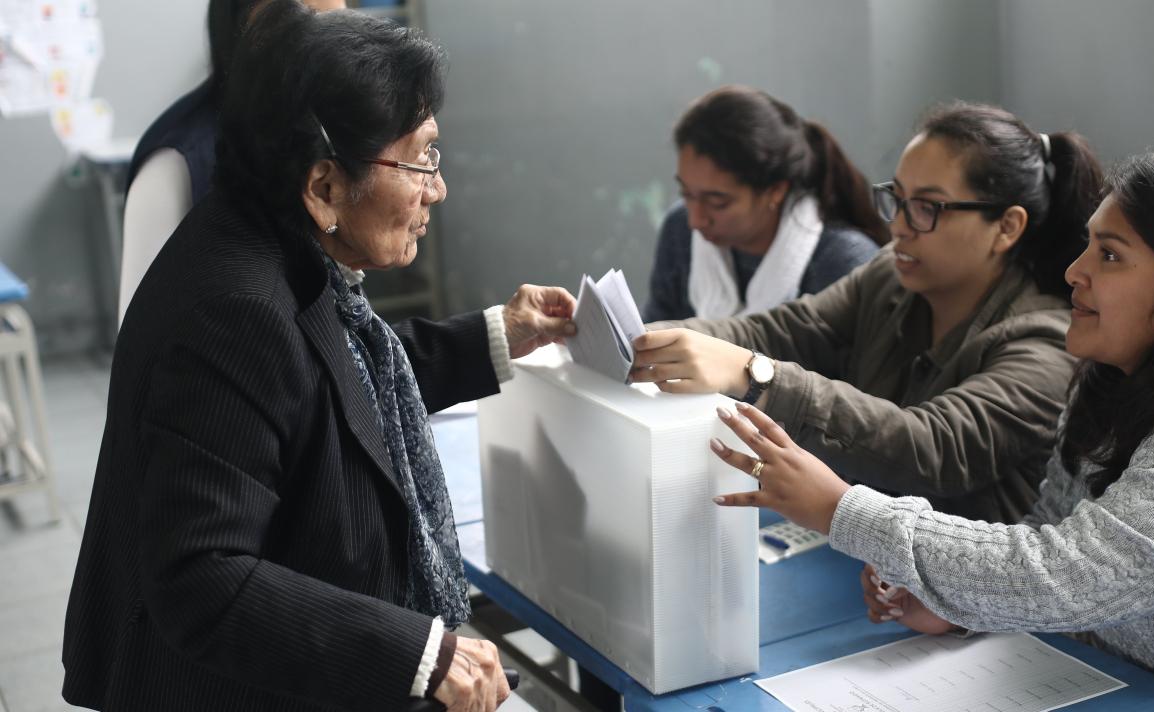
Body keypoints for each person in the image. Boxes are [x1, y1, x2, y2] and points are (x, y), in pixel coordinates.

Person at [63, 3, 573, 710]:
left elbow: (338, 384)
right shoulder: (234, 310)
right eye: (420, 157)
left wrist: (496, 334)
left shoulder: (275, 244)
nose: (438, 187)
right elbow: (200, 576)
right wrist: (419, 652)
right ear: (325, 186)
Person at [708, 150, 1154, 692]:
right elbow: (1046, 535)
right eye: (898, 200)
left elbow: (1061, 574)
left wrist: (838, 507)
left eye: (1109, 256)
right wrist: (962, 607)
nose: (1074, 271)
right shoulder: (1107, 384)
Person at [633, 102, 1103, 523]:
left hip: (975, 605)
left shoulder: (1046, 341)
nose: (898, 225)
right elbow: (786, 329)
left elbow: (932, 447)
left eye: (926, 208)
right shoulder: (888, 277)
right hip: (875, 563)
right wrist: (625, 334)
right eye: (897, 199)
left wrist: (757, 375)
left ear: (1006, 226)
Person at [119, 0, 347, 323]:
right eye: (307, 27)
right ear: (245, 26)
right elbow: (141, 333)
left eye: (340, 28)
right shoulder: (177, 160)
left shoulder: (318, 129)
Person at [642, 85, 887, 323]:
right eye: (687, 194)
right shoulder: (679, 229)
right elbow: (653, 334)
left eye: (718, 202)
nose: (696, 220)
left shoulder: (842, 261)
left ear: (776, 190)